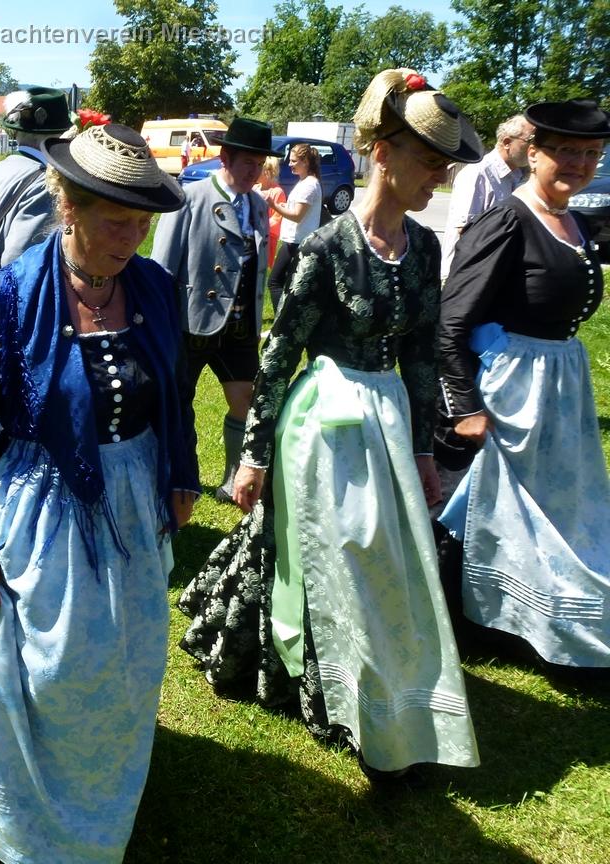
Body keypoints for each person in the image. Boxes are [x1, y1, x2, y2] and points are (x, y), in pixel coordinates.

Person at [178, 68, 483, 781]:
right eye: (429, 160)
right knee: (328, 546)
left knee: (381, 554)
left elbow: (420, 356)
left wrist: (425, 450)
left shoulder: (424, 249)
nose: (439, 177)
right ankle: (327, 683)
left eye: (444, 165)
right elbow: (279, 354)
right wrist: (253, 457)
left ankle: (385, 682)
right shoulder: (326, 249)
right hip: (325, 423)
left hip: (386, 423)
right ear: (383, 151)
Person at [0, 122, 198, 864]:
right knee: (41, 676)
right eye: (116, 221)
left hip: (133, 504)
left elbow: (174, 387)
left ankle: (99, 811)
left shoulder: (154, 288)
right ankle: (19, 833)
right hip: (44, 509)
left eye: (142, 223)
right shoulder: (11, 298)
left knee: (126, 668)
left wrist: (180, 469)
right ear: (68, 206)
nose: (132, 239)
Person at [438, 99, 610, 668]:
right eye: (566, 151)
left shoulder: (576, 222)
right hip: (510, 391)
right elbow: (451, 320)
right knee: (503, 510)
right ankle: (488, 620)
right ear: (533, 153)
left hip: (557, 386)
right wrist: (465, 406)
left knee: (557, 510)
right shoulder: (507, 221)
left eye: (591, 154)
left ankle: (542, 617)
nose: (579, 164)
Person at [151, 116, 277, 504]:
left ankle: (231, 481)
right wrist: (161, 322)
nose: (254, 173)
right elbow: (161, 266)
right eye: (247, 164)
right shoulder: (189, 198)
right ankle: (173, 479)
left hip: (239, 327)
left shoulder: (258, 205)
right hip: (191, 323)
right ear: (225, 158)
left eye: (259, 165)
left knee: (245, 400)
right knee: (176, 405)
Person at [0, 87, 72, 269]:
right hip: (0, 284)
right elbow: (20, 262)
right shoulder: (45, 184)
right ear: (57, 138)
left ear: (17, 132)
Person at [440, 113, 533, 281]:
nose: (535, 148)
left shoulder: (516, 177)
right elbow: (465, 232)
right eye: (530, 141)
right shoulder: (478, 173)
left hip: (492, 275)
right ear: (507, 142)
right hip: (465, 277)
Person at [266, 142, 323, 313]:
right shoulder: (305, 182)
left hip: (297, 242)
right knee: (289, 283)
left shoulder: (309, 185)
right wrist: (284, 205)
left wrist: (274, 205)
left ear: (305, 161)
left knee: (274, 282)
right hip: (295, 241)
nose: (289, 164)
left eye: (293, 161)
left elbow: (297, 216)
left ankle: (281, 321)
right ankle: (290, 318)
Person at [259, 155, 287, 269]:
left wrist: (259, 225)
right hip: (254, 236)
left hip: (268, 238)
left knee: (264, 267)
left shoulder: (277, 192)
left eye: (259, 167)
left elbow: (276, 219)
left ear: (267, 172)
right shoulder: (254, 188)